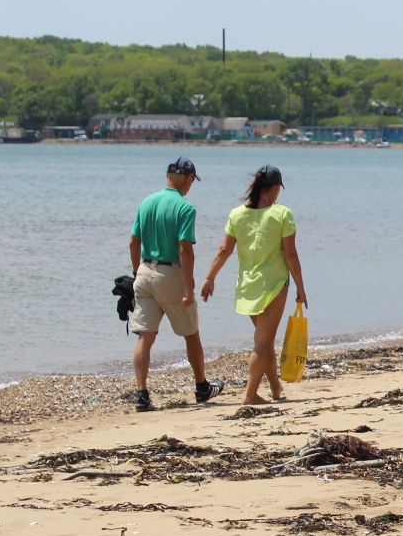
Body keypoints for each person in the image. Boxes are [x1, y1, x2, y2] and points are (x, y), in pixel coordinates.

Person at [201, 165, 307, 405]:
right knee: (262, 342)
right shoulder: (282, 214)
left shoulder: (237, 214)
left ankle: (276, 388)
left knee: (265, 339)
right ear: (276, 187)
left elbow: (223, 250)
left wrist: (209, 278)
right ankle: (250, 395)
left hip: (247, 288)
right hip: (274, 285)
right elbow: (291, 255)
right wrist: (301, 287)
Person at [129, 157, 224, 411]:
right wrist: (189, 287)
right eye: (193, 179)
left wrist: (136, 271)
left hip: (144, 271)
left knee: (144, 337)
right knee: (191, 333)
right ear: (186, 177)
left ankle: (141, 394)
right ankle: (202, 387)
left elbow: (133, 241)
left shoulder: (146, 202)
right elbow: (184, 248)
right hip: (170, 275)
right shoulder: (185, 208)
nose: (192, 184)